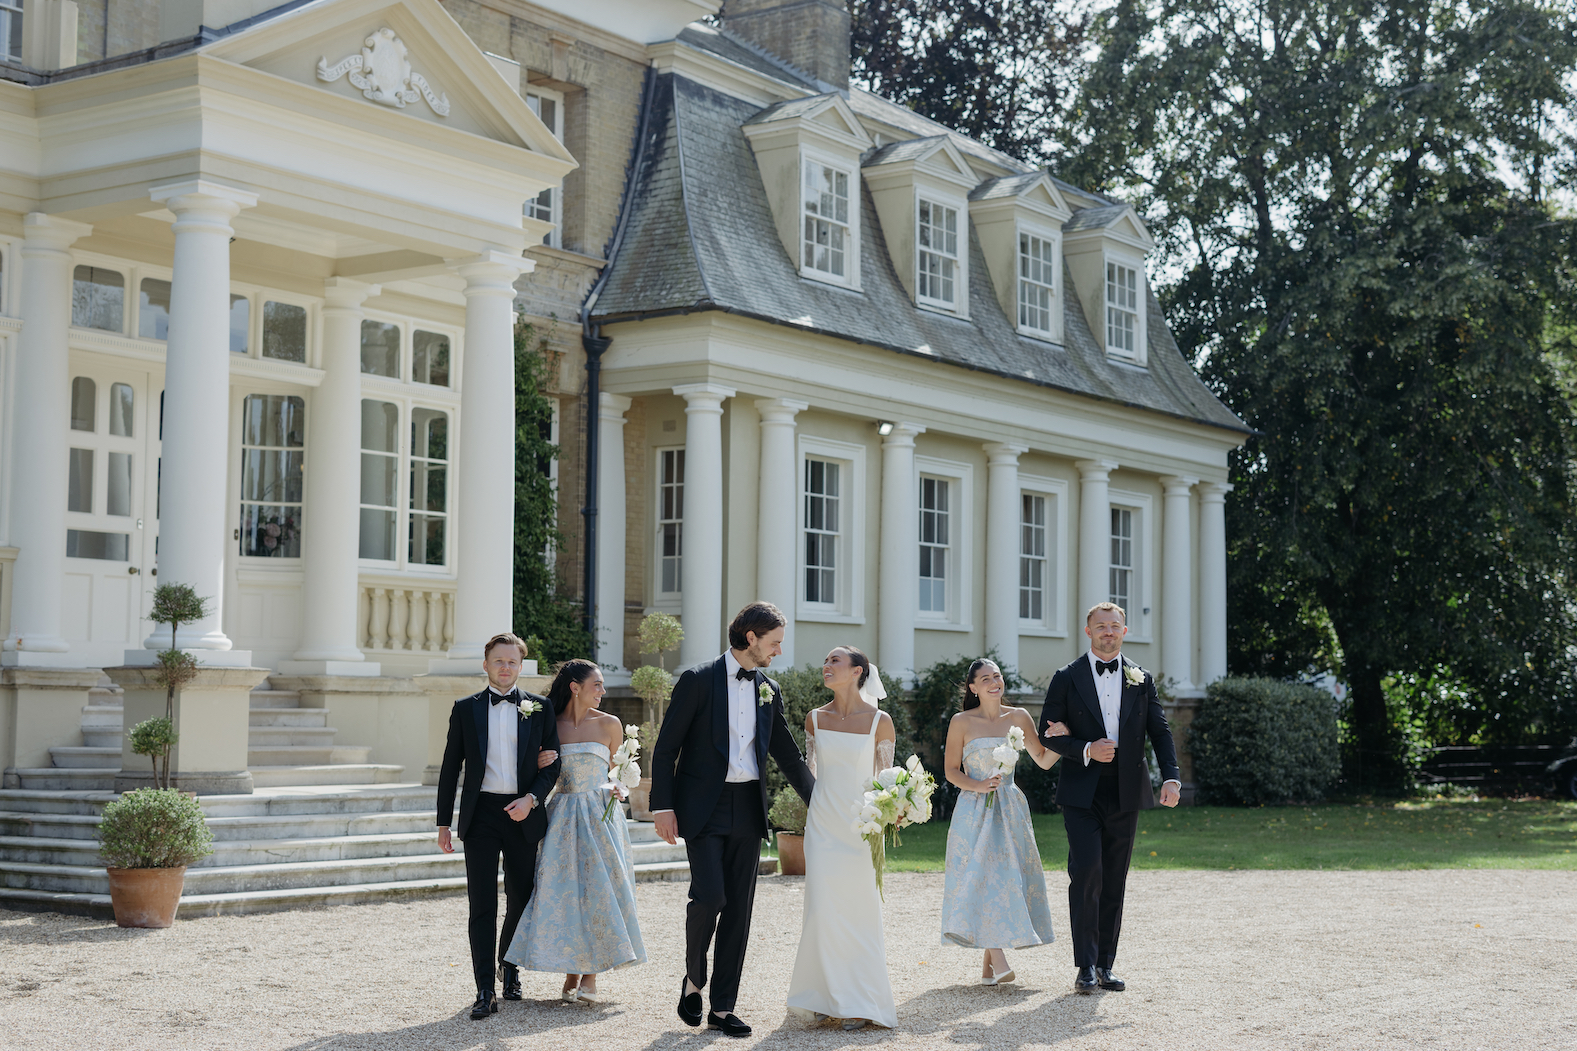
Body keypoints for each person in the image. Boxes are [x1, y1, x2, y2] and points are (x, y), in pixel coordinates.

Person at [650, 601, 816, 1038]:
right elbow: (666, 748)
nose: (779, 651)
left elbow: (789, 756)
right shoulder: (698, 680)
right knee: (710, 898)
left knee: (739, 910)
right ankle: (693, 979)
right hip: (701, 807)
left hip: (747, 808)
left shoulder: (769, 689)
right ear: (751, 639)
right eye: (775, 643)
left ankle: (723, 1007)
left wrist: (822, 804)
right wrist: (662, 807)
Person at [1038, 602, 1181, 994]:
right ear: (1088, 631)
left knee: (1114, 878)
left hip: (1126, 791)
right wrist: (1086, 748)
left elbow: (1161, 732)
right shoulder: (1066, 677)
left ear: (1124, 630)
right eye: (1100, 626)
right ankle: (1084, 965)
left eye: (1114, 626)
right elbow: (1046, 734)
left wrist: (1172, 778)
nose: (1108, 632)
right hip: (1082, 793)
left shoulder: (1141, 678)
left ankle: (1105, 965)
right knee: (1087, 873)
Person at [435, 633, 561, 1020]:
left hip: (522, 812)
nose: (505, 667)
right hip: (482, 815)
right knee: (482, 904)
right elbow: (449, 767)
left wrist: (532, 799)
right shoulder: (465, 708)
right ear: (486, 664)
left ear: (520, 667)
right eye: (498, 661)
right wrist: (443, 821)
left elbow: (553, 763)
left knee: (520, 897)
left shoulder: (540, 708)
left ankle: (510, 966)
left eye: (512, 662)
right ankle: (484, 988)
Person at [505, 659, 646, 1003]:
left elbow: (620, 772)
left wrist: (619, 788)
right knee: (566, 893)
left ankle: (591, 978)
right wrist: (536, 764)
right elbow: (535, 774)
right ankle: (571, 972)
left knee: (600, 892)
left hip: (600, 817)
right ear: (575, 687)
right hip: (562, 816)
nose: (603, 691)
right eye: (596, 684)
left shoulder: (611, 725)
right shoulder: (549, 724)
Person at [785, 646, 898, 1031]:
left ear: (857, 671)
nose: (826, 666)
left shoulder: (880, 721)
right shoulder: (814, 718)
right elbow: (813, 771)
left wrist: (890, 814)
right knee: (822, 907)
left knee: (859, 908)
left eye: (835, 661)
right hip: (823, 824)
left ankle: (860, 1000)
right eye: (825, 660)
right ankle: (821, 996)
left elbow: (887, 781)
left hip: (861, 826)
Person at [940, 657, 1065, 985]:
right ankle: (998, 956)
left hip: (1009, 807)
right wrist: (979, 785)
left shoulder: (1019, 717)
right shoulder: (961, 722)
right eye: (985, 679)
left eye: (997, 676)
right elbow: (951, 770)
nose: (994, 682)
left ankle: (988, 968)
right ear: (973, 688)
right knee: (982, 876)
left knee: (1002, 877)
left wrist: (1062, 739)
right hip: (974, 808)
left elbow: (1043, 760)